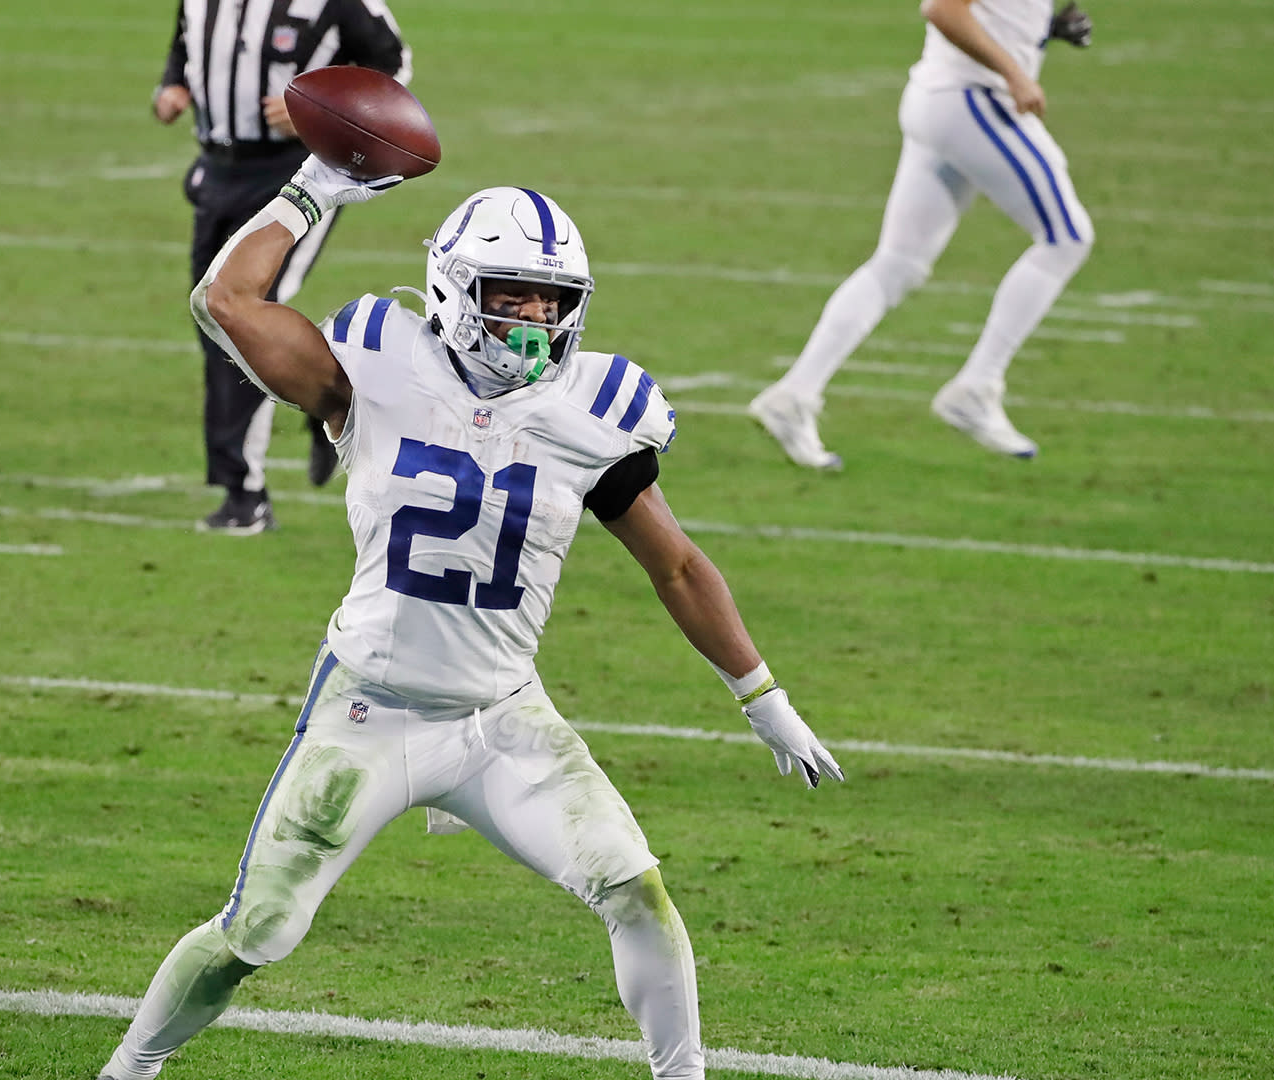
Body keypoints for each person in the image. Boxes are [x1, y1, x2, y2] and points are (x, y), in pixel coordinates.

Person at [96, 162, 846, 1080]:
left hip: (502, 719)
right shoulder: (376, 367)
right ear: (455, 288)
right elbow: (227, 298)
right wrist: (316, 184)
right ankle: (130, 1068)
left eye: (550, 299)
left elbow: (678, 564)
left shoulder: (591, 412)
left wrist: (760, 694)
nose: (532, 318)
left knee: (635, 887)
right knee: (258, 930)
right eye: (512, 295)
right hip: (368, 710)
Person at [748, 0, 1096, 469]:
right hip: (973, 99)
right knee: (1067, 236)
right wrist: (1015, 71)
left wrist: (1041, 29)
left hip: (943, 99)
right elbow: (942, 9)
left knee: (899, 263)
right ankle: (978, 387)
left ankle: (794, 394)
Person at [152, 0, 410, 533]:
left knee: (242, 319)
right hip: (215, 169)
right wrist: (173, 85)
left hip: (292, 176)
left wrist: (319, 112)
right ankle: (327, 396)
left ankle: (244, 493)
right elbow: (187, 43)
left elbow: (392, 66)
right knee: (211, 318)